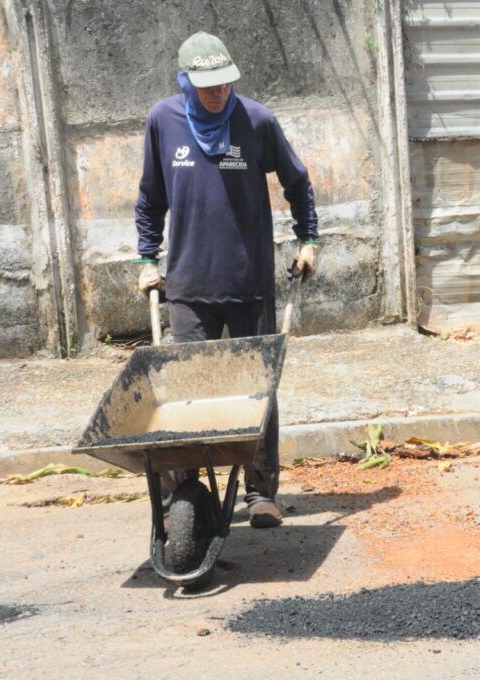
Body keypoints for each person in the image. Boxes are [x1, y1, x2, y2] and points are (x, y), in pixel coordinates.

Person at [134, 31, 319, 528]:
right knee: (183, 394)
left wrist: (310, 240)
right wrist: (146, 259)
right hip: (188, 287)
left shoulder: (256, 120)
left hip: (249, 281)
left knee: (257, 390)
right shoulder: (163, 121)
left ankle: (260, 492)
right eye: (207, 86)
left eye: (224, 84)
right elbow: (151, 198)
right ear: (187, 81)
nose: (217, 94)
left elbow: (297, 182)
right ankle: (186, 491)